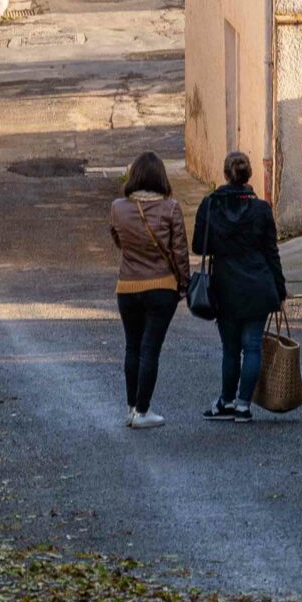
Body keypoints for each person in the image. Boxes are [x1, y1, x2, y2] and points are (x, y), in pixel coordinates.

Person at [192, 150, 286, 422]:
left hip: (226, 285)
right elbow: (272, 252)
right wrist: (280, 290)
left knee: (231, 348)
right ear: (249, 176)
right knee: (253, 346)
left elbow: (199, 246)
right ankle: (244, 405)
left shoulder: (211, 205)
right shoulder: (261, 209)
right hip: (258, 285)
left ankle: (227, 401)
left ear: (225, 174)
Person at [110, 150, 189, 429]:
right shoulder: (171, 208)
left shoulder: (118, 207)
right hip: (161, 287)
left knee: (132, 346)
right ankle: (144, 411)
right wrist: (184, 283)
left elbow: (118, 240)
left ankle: (131, 407)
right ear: (160, 177)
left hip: (127, 286)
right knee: (150, 349)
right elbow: (179, 251)